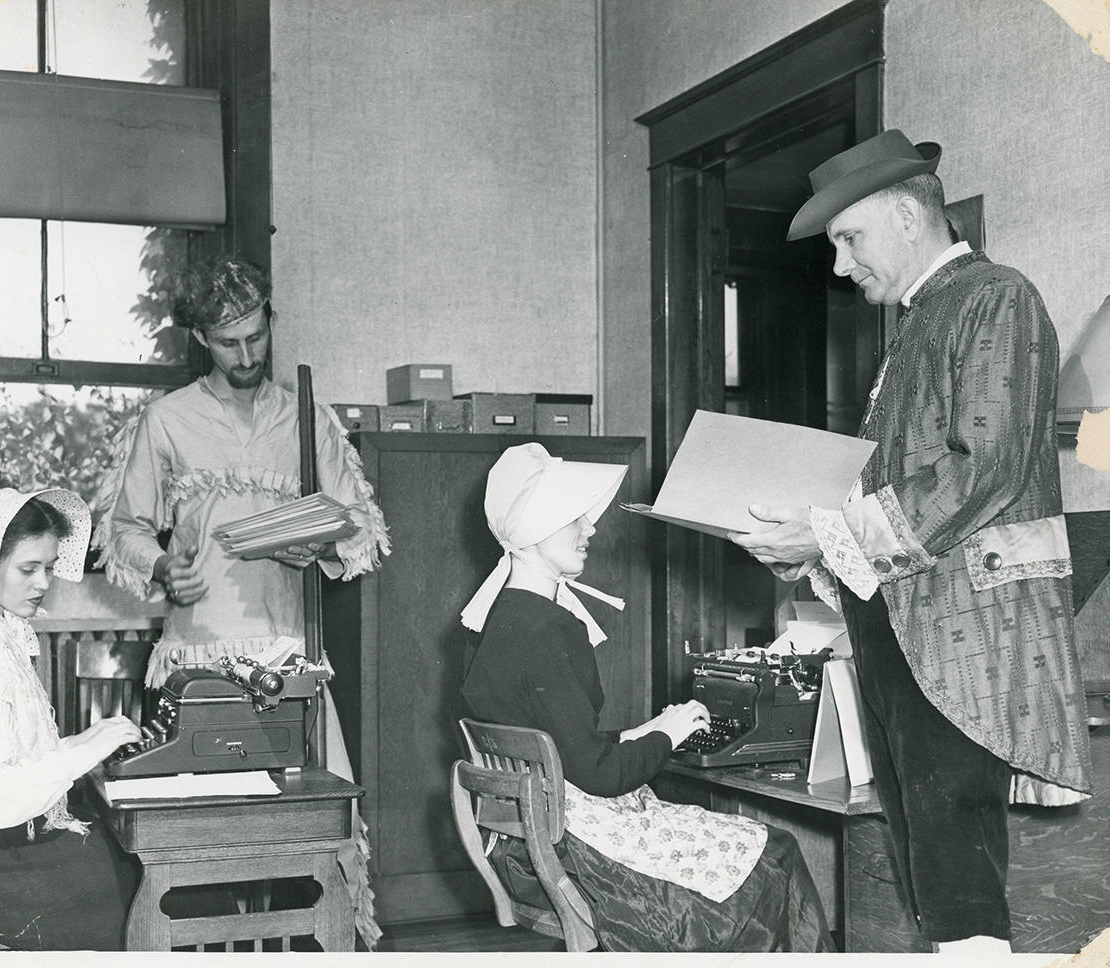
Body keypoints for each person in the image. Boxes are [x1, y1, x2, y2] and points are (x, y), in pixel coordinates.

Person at [730, 129, 1093, 956]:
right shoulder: (922, 322)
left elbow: (986, 464)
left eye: (847, 239)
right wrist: (814, 543)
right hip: (900, 620)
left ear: (903, 213)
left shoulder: (995, 296)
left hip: (964, 627)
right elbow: (897, 485)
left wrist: (829, 531)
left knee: (953, 848)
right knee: (924, 842)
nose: (839, 266)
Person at [95, 254, 391, 948]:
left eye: (256, 337)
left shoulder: (306, 417)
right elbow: (123, 529)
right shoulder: (166, 420)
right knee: (197, 846)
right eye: (229, 342)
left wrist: (314, 547)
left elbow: (359, 525)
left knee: (313, 837)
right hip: (198, 658)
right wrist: (165, 565)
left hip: (288, 654)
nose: (247, 353)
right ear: (201, 338)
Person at [459, 443, 833, 952]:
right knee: (775, 849)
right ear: (533, 527)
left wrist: (640, 732)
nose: (590, 530)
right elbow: (602, 775)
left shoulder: (503, 617)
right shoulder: (548, 629)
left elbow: (558, 741)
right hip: (583, 853)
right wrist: (668, 733)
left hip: (532, 844)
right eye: (574, 520)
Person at [0, 489, 143, 950]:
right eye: (29, 569)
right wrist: (83, 753)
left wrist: (85, 739)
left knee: (134, 858)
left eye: (49, 567)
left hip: (2, 844)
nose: (44, 582)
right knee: (142, 884)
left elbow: (13, 758)